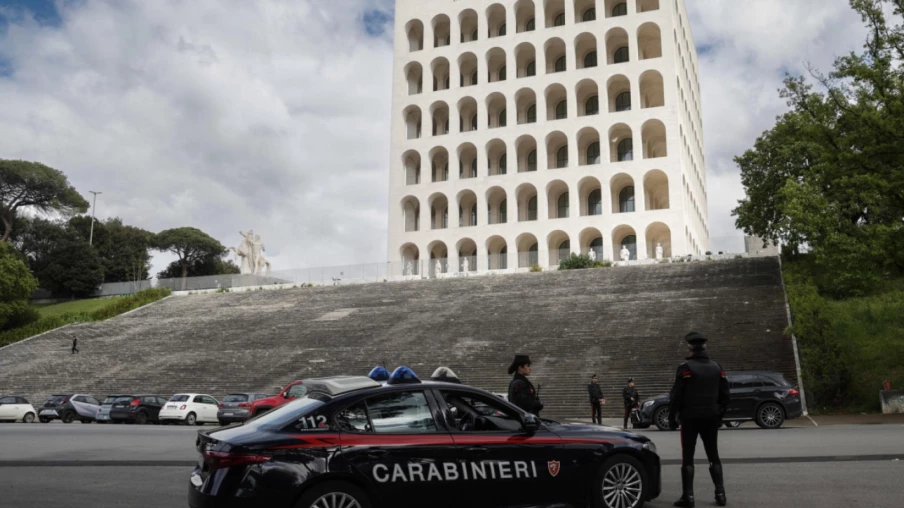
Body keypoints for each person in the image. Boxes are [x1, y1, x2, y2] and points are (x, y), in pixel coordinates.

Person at [668, 332, 730, 507]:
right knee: (714, 456)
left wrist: (672, 417)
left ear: (690, 348)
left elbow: (676, 396)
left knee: (687, 458)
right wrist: (719, 415)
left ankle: (689, 497)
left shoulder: (685, 368)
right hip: (711, 417)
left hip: (689, 418)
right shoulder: (717, 367)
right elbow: (725, 396)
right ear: (705, 347)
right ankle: (720, 494)